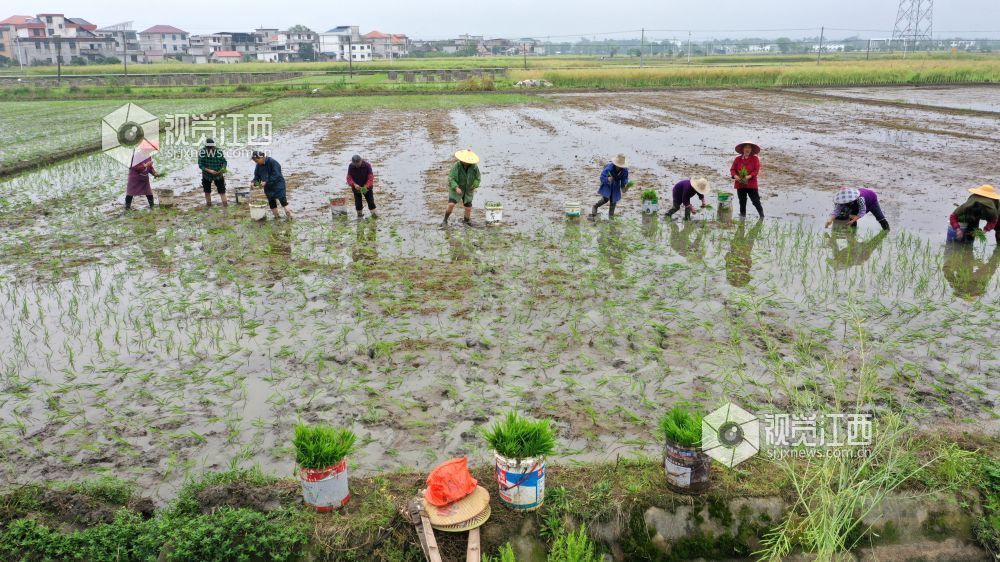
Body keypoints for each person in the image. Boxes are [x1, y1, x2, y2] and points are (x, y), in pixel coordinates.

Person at [824, 187, 890, 231]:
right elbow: (836, 211)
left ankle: (887, 230)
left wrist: (853, 220)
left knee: (880, 217)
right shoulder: (842, 200)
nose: (845, 202)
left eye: (847, 201)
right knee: (851, 217)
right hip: (855, 204)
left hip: (872, 201)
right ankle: (852, 235)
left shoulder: (860, 198)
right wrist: (830, 219)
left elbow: (862, 211)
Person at [444, 149, 481, 226]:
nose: (466, 162)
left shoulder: (474, 167)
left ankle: (466, 222)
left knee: (468, 208)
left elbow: (478, 178)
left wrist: (475, 185)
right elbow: (451, 178)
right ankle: (445, 220)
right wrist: (456, 187)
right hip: (456, 188)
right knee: (451, 204)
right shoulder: (456, 166)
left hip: (468, 189)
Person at [251, 151, 292, 219]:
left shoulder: (272, 162)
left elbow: (276, 174)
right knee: (271, 203)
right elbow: (257, 176)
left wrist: (266, 181)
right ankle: (277, 217)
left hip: (278, 185)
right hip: (268, 187)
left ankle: (290, 217)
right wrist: (253, 182)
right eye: (255, 161)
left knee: (283, 201)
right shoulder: (258, 166)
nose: (256, 162)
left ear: (262, 157)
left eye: (257, 160)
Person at [730, 141, 763, 218]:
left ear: (751, 150)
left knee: (755, 201)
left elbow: (756, 171)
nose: (747, 149)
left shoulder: (755, 159)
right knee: (742, 202)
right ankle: (742, 218)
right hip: (740, 184)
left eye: (749, 148)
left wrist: (748, 176)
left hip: (751, 184)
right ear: (742, 149)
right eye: (745, 147)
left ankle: (762, 216)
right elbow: (732, 169)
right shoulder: (738, 159)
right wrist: (735, 176)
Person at [591, 154, 629, 218]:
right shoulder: (609, 168)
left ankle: (611, 216)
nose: (619, 167)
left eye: (621, 166)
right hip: (608, 183)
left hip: (616, 184)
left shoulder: (625, 171)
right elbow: (602, 177)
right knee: (606, 198)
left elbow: (624, 181)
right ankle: (595, 206)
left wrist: (625, 187)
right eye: (618, 165)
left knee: (613, 200)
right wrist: (607, 179)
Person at [197, 138, 228, 207]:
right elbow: (200, 165)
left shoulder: (218, 151)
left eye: (212, 148)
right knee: (207, 191)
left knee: (222, 191)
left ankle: (225, 205)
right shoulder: (202, 152)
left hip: (218, 174)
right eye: (209, 149)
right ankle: (209, 205)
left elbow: (224, 162)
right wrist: (209, 170)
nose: (210, 150)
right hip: (207, 175)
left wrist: (222, 169)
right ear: (206, 148)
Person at [347, 154, 378, 219]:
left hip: (366, 187)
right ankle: (359, 217)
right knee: (358, 203)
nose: (357, 166)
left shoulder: (367, 165)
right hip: (356, 187)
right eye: (355, 164)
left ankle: (375, 216)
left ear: (361, 161)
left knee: (370, 202)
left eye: (358, 164)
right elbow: (349, 178)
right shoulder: (351, 166)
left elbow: (371, 177)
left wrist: (366, 186)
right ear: (353, 162)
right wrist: (354, 184)